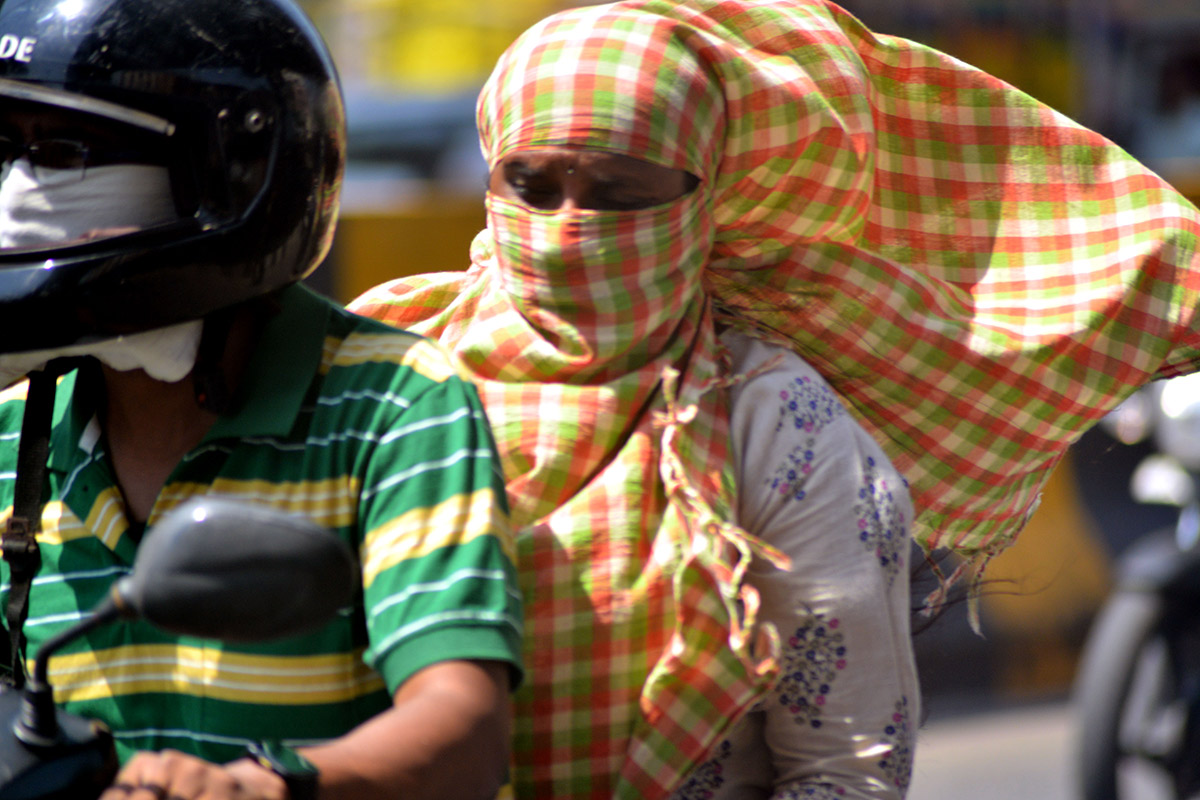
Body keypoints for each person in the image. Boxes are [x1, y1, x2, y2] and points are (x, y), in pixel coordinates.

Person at [350, 0, 1200, 798]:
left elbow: (846, 763)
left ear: (702, 200)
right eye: (533, 187)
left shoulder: (771, 419)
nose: (570, 229)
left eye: (618, 192)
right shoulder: (390, 369)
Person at [0, 0, 523, 799]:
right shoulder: (10, 434)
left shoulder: (396, 404)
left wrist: (265, 788)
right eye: (8, 150)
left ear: (228, 171)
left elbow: (461, 728)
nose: (22, 190)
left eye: (67, 150)